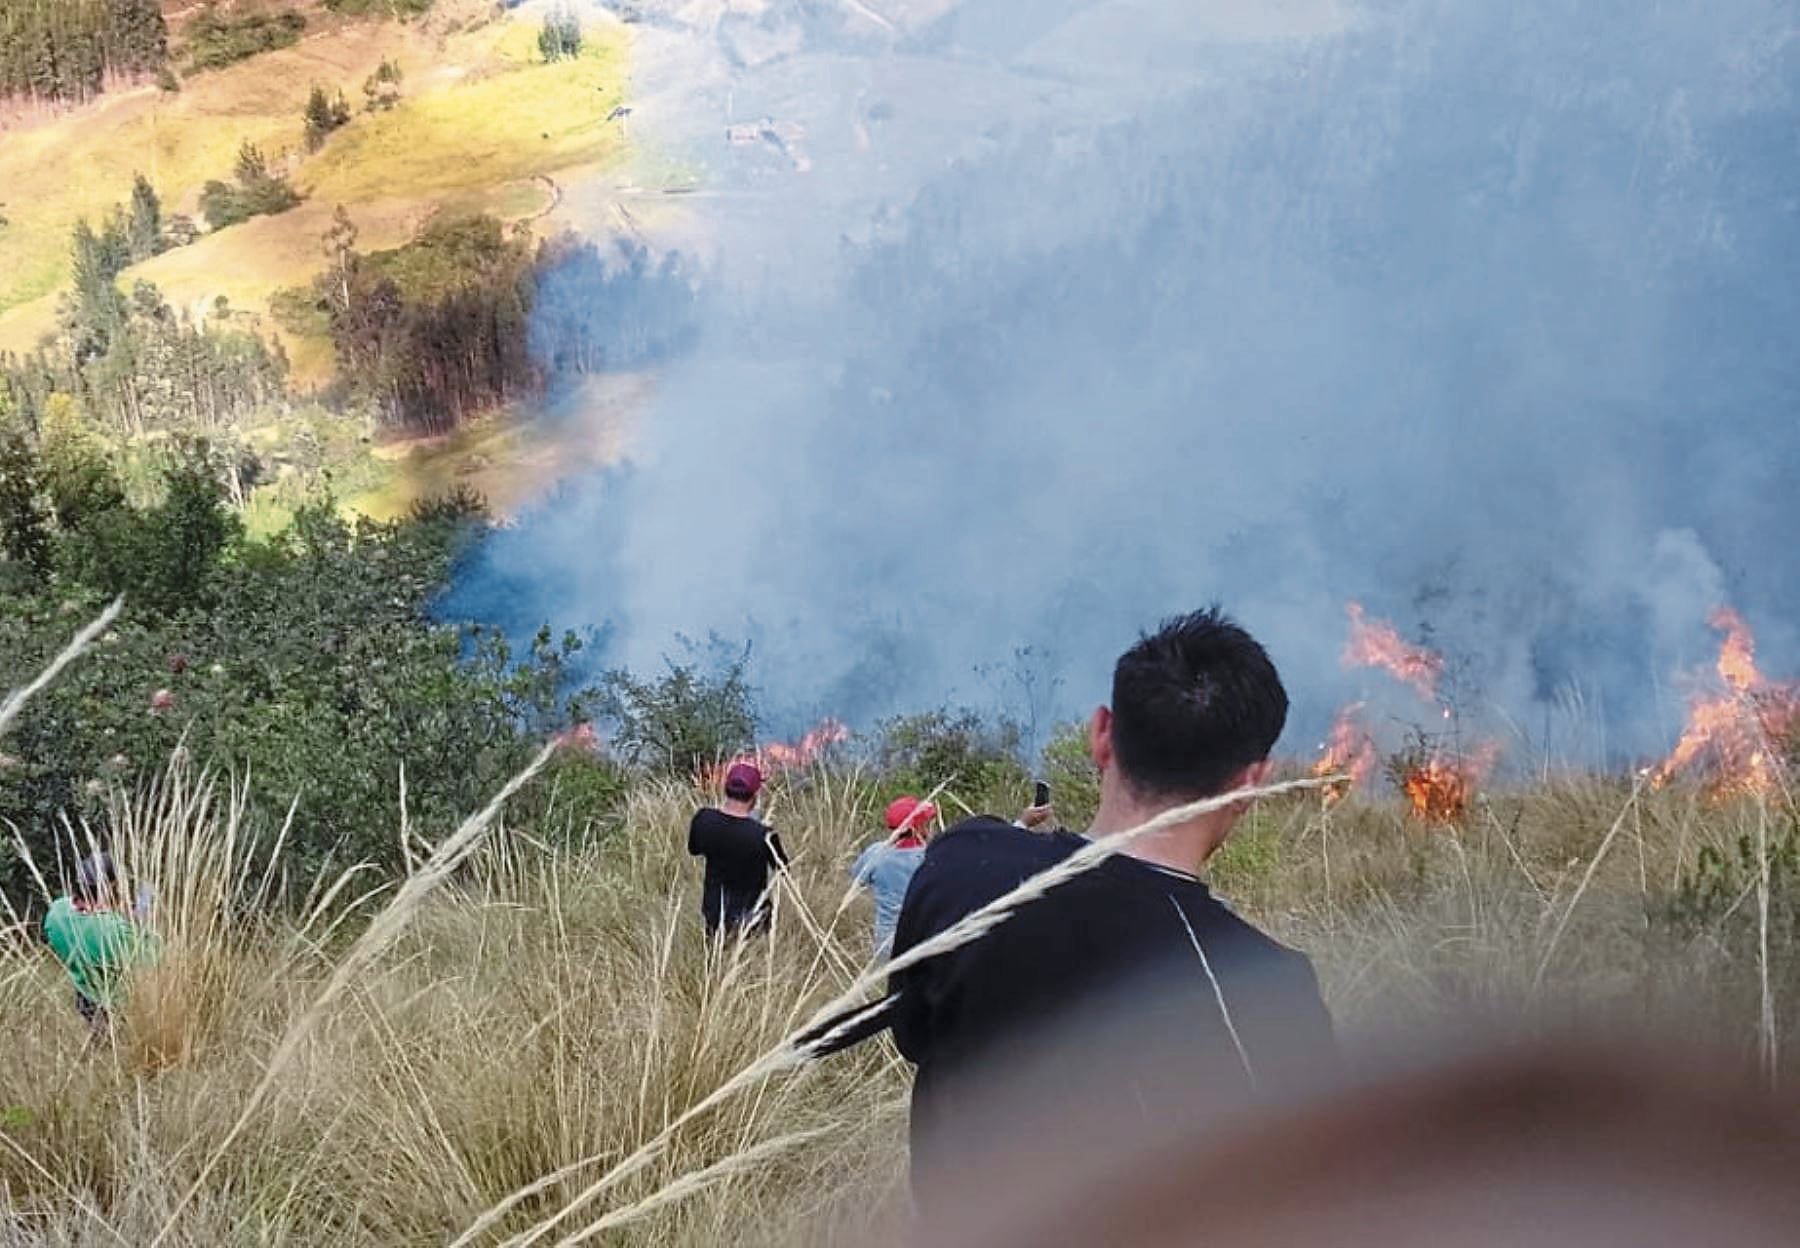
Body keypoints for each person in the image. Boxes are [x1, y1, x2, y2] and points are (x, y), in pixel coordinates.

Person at [810, 608, 1336, 1205]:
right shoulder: (1265, 986)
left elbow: (914, 1032)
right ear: (1252, 782)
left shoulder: (964, 863)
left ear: (1102, 733)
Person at [42, 852, 158, 1038]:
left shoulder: (56, 911)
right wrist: (142, 919)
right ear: (111, 887)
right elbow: (157, 960)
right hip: (118, 1008)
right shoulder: (115, 931)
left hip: (84, 997)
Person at [688, 762, 789, 936]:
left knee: (714, 958)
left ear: (726, 789)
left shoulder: (703, 819)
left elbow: (694, 849)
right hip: (752, 917)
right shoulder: (764, 835)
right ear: (754, 796)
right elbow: (783, 869)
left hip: (714, 913)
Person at [850, 796, 939, 958]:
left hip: (886, 943)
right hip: (924, 939)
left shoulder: (875, 853)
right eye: (925, 822)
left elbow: (857, 879)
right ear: (916, 828)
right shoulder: (931, 857)